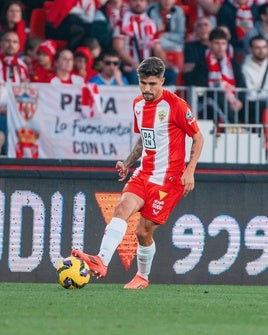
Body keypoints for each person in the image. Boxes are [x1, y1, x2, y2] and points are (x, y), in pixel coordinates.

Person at [72, 56, 204, 289]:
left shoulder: (177, 106)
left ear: (162, 81)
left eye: (152, 84)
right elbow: (144, 140)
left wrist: (190, 170)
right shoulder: (138, 105)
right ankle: (101, 261)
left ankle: (142, 276)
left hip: (169, 180)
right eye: (143, 83)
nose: (147, 89)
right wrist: (127, 162)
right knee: (122, 207)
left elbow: (198, 137)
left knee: (143, 231)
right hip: (144, 173)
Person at [185, 27, 246, 124]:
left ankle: (258, 133)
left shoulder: (233, 64)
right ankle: (233, 126)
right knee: (217, 96)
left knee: (255, 105)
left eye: (223, 43)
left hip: (231, 100)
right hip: (205, 102)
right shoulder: (202, 63)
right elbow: (201, 86)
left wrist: (239, 101)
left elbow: (242, 85)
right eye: (217, 43)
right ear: (209, 43)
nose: (220, 47)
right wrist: (224, 92)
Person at [112, 0, 176, 85]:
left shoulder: (151, 23)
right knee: (136, 76)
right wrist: (133, 62)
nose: (138, 3)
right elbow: (118, 47)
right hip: (128, 66)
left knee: (170, 74)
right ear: (130, 2)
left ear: (146, 3)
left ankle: (165, 98)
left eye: (142, 1)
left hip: (146, 66)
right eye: (135, 1)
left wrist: (165, 63)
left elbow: (157, 48)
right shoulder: (121, 22)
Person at [0, 30, 29, 155]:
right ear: (1, 43)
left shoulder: (23, 67)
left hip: (15, 113)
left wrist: (13, 110)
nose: (11, 44)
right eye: (7, 41)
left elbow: (26, 93)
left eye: (14, 42)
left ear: (19, 46)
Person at [241, 35, 268, 153]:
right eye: (257, 48)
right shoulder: (244, 67)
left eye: (264, 47)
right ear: (251, 49)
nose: (262, 51)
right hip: (253, 106)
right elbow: (250, 95)